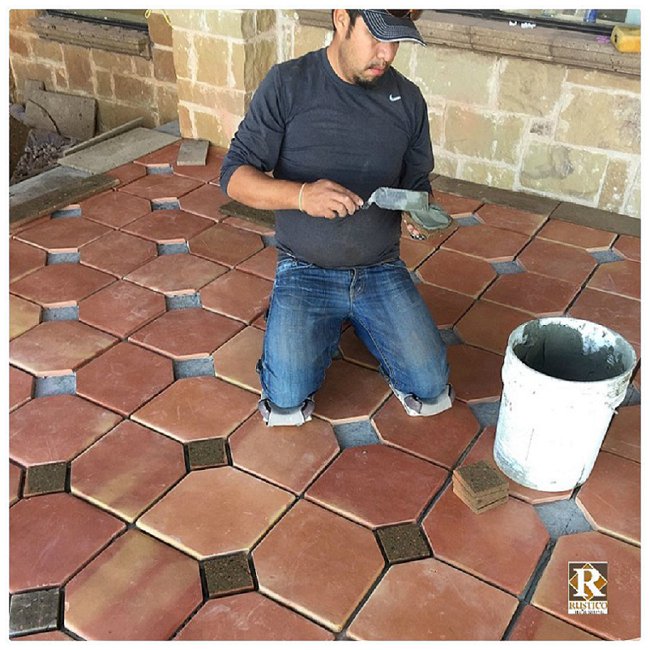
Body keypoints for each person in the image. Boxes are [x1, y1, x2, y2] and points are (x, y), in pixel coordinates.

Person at [220, 9, 452, 426]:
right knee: (287, 398)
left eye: (396, 42)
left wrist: (418, 209)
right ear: (341, 18)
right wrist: (302, 195)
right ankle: (308, 320)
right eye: (376, 37)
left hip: (380, 268)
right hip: (304, 268)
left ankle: (356, 320)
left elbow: (418, 182)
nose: (386, 54)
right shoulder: (288, 84)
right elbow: (233, 177)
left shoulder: (408, 100)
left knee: (430, 385)